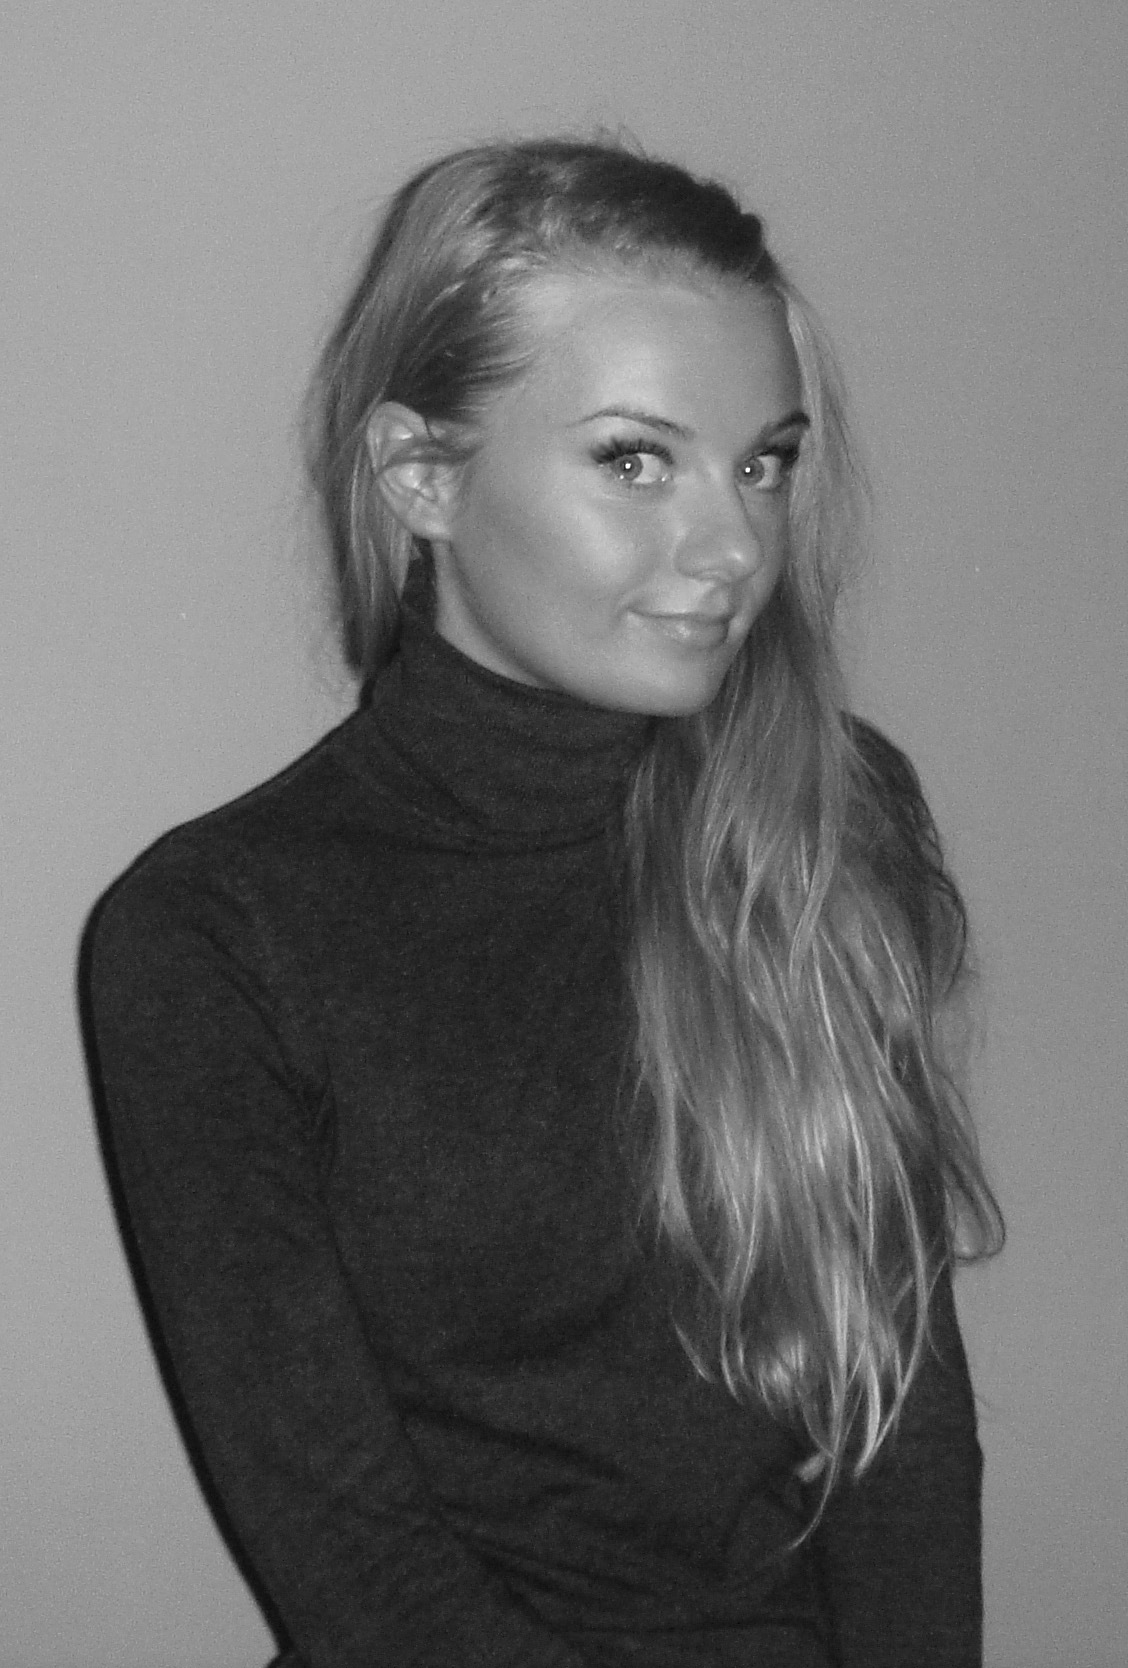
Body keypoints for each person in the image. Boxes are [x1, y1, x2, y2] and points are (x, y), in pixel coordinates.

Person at [87, 137, 1003, 1668]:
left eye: (763, 462)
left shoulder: (830, 819)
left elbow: (898, 1418)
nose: (734, 546)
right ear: (422, 477)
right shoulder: (216, 936)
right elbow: (352, 1562)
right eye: (635, 459)